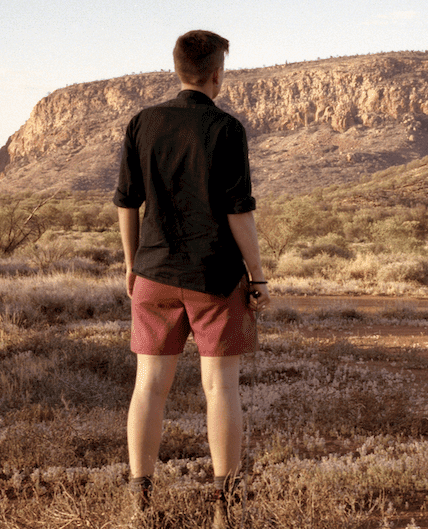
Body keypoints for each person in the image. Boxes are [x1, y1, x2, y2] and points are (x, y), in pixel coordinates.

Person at [114, 30, 271, 527]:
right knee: (221, 389)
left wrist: (131, 263)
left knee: (149, 387)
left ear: (177, 66)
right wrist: (258, 276)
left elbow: (126, 202)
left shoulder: (143, 122)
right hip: (214, 278)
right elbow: (238, 212)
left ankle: (140, 501)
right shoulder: (226, 129)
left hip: (153, 273)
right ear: (217, 73)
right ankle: (226, 509)